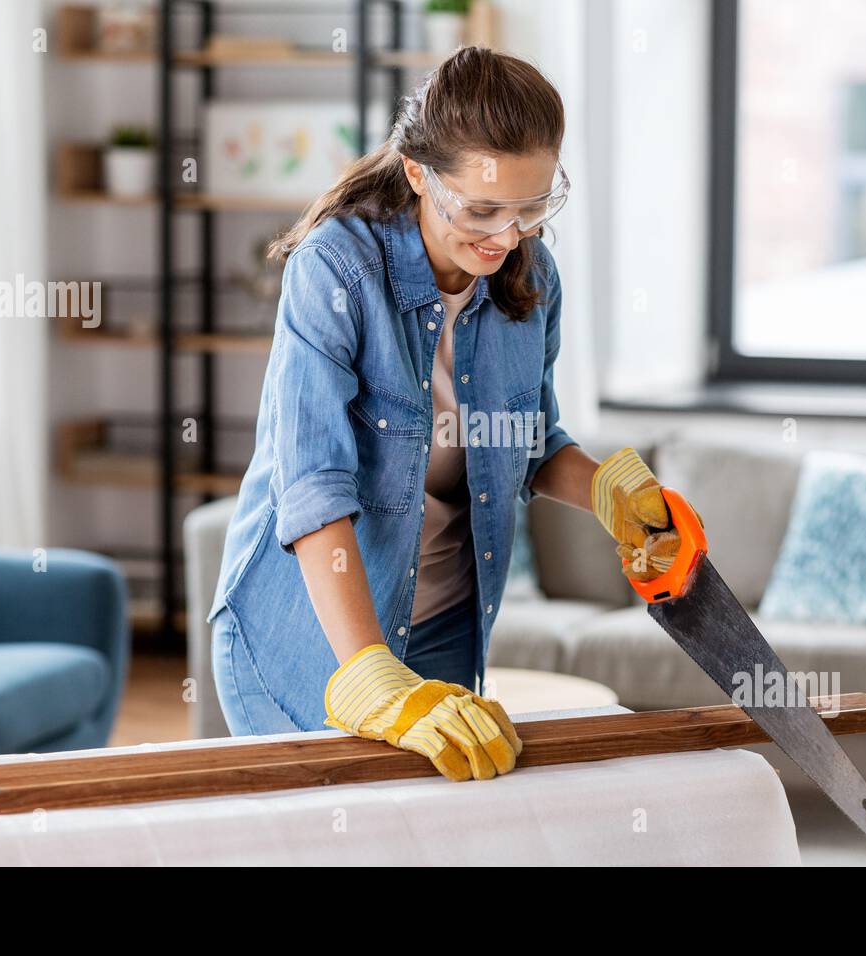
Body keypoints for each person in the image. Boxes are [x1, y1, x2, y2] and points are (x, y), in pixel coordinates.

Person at [209, 47, 691, 782]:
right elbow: (312, 485)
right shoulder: (335, 270)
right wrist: (369, 672)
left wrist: (608, 492)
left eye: (534, 208)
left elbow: (528, 442)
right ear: (417, 175)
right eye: (482, 209)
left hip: (445, 626)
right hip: (311, 638)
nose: (507, 237)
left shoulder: (531, 276)